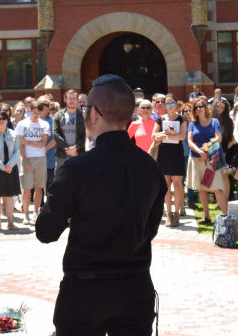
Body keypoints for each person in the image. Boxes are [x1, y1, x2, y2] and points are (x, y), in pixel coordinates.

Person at [36, 74, 166, 336]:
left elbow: (46, 231)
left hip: (86, 292)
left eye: (85, 109)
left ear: (93, 114)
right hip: (136, 287)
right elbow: (149, 230)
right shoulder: (151, 168)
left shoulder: (77, 169)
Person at [187, 96, 227, 220]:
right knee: (201, 189)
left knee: (217, 188)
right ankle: (206, 217)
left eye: (201, 106)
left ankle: (226, 217)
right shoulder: (192, 124)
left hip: (212, 158)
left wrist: (205, 149)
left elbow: (218, 138)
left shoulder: (214, 121)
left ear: (205, 107)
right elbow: (189, 141)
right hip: (196, 158)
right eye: (196, 107)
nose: (199, 109)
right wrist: (199, 152)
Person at [152, 93, 187, 227]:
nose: (170, 106)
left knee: (177, 184)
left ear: (176, 104)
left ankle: (177, 213)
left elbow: (182, 136)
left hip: (176, 153)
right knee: (165, 185)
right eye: (167, 103)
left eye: (172, 103)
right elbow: (154, 136)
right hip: (163, 154)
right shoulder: (160, 119)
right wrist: (168, 134)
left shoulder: (182, 118)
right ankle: (168, 214)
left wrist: (165, 136)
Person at [16, 100, 50, 225]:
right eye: (34, 112)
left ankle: (35, 213)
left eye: (38, 112)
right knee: (26, 189)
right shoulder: (22, 124)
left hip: (41, 157)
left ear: (41, 112)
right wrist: (25, 161)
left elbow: (43, 143)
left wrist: (28, 142)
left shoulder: (44, 124)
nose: (36, 115)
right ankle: (26, 214)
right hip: (27, 158)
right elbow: (20, 144)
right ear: (30, 110)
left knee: (39, 187)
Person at [52, 89, 86, 173]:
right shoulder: (58, 115)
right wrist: (67, 149)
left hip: (78, 153)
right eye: (69, 98)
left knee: (78, 181)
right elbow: (55, 134)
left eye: (74, 98)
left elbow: (87, 135)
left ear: (77, 100)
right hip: (62, 155)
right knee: (60, 181)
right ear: (65, 99)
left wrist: (75, 148)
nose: (72, 101)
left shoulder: (83, 116)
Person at [212, 97, 234, 203]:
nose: (219, 109)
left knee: (223, 176)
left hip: (224, 150)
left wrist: (226, 153)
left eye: (222, 107)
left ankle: (224, 201)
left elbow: (231, 140)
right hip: (211, 150)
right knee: (214, 177)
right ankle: (218, 201)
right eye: (217, 106)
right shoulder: (209, 119)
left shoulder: (228, 121)